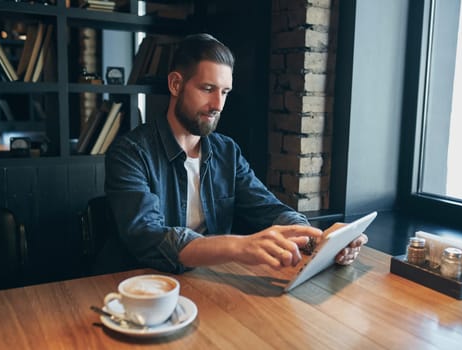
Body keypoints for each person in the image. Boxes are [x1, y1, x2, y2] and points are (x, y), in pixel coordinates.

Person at [103, 33, 367, 274]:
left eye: (225, 92)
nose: (218, 104)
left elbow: (267, 207)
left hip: (212, 281)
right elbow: (148, 236)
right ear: (175, 84)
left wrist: (319, 241)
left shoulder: (226, 151)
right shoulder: (130, 153)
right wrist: (237, 247)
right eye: (207, 89)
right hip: (149, 287)